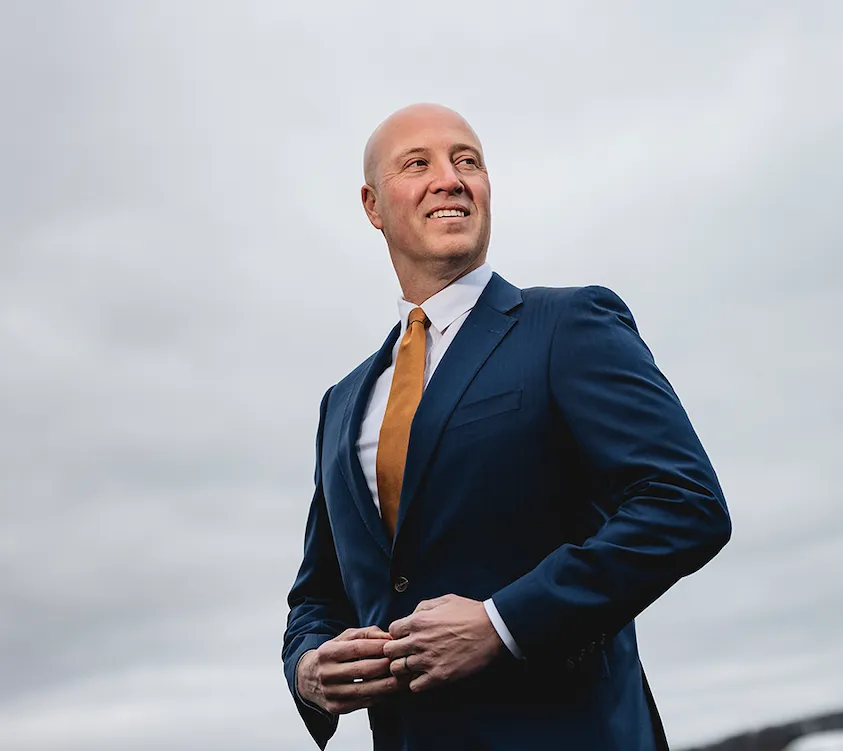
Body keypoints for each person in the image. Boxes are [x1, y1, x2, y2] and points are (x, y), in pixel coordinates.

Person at [281, 103, 731, 751]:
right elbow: (318, 591)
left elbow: (685, 504)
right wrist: (308, 665)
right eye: (418, 164)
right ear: (373, 205)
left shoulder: (568, 326)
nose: (451, 178)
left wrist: (503, 622)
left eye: (468, 161)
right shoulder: (342, 401)